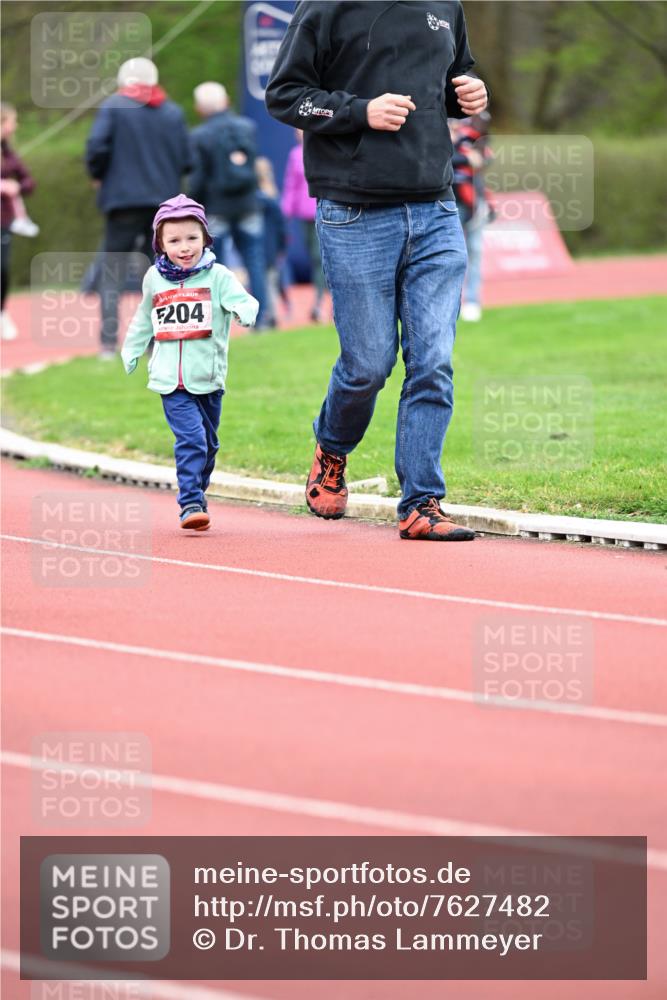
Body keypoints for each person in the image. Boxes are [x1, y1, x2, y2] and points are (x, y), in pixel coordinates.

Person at [266, 2, 487, 541]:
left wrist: (470, 93)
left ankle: (421, 502)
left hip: (436, 209)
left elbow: (457, 77)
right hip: (355, 210)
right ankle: (332, 450)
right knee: (367, 364)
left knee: (433, 360)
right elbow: (285, 96)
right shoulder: (325, 7)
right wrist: (358, 112)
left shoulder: (444, 6)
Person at [121, 195, 258, 530]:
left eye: (192, 238)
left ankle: (198, 492)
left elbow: (245, 301)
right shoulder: (154, 278)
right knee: (192, 439)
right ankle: (190, 502)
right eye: (174, 240)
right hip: (170, 379)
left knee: (209, 445)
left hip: (208, 377)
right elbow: (144, 318)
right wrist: (132, 349)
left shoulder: (219, 276)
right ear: (161, 243)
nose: (184, 247)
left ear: (206, 239)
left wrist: (245, 312)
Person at [85, 58, 192, 359]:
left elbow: (96, 146)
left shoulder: (114, 106)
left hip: (122, 202)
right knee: (159, 272)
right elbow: (188, 159)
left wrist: (98, 175)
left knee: (113, 270)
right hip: (163, 205)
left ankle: (108, 343)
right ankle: (156, 342)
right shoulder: (172, 112)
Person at [189, 82, 268, 329]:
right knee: (255, 260)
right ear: (226, 101)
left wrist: (193, 205)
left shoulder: (199, 136)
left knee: (213, 264)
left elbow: (199, 177)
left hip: (216, 207)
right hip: (247, 204)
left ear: (200, 108)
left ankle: (218, 319)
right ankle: (261, 318)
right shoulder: (247, 127)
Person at [450, 113, 494, 321]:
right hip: (449, 205)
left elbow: (485, 158)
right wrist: (466, 158)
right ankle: (451, 303)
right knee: (449, 257)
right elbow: (441, 160)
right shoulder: (437, 140)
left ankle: (472, 301)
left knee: (475, 252)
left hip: (474, 203)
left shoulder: (472, 138)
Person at [281, 130, 326, 322]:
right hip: (305, 215)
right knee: (313, 256)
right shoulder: (295, 154)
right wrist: (285, 213)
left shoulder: (323, 150)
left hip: (322, 213)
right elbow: (292, 184)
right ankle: (319, 301)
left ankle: (319, 302)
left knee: (319, 258)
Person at [1, 103, 36, 340]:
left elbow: (29, 182)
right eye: (12, 121)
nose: (16, 126)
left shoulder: (8, 153)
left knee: (2, 269)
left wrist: (16, 186)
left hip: (3, 222)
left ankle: (2, 313)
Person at [255, 157, 288, 328]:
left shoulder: (260, 197)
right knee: (270, 281)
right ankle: (271, 313)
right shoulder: (271, 195)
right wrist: (282, 244)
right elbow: (281, 225)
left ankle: (270, 314)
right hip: (271, 245)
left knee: (267, 281)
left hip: (265, 246)